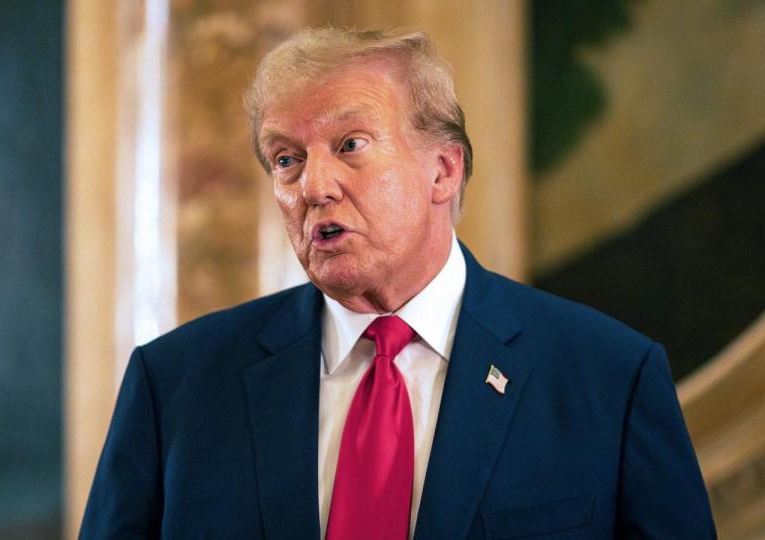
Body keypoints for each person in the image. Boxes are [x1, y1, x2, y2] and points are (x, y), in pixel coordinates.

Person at [80, 27, 715, 539]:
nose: (313, 187)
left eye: (349, 144)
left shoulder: (609, 377)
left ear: (443, 170)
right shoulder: (176, 387)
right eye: (285, 159)